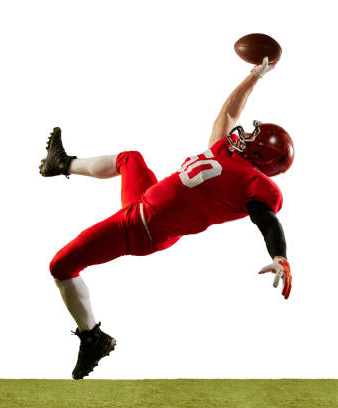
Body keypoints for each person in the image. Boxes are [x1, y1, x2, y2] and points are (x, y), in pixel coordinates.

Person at [39, 56, 294, 380]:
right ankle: (61, 164)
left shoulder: (255, 185)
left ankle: (92, 337)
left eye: (252, 138)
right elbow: (229, 112)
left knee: (59, 266)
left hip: (140, 227)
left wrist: (280, 256)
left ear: (260, 155)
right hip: (146, 203)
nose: (242, 134)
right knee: (130, 159)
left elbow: (267, 220)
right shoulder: (223, 152)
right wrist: (254, 76)